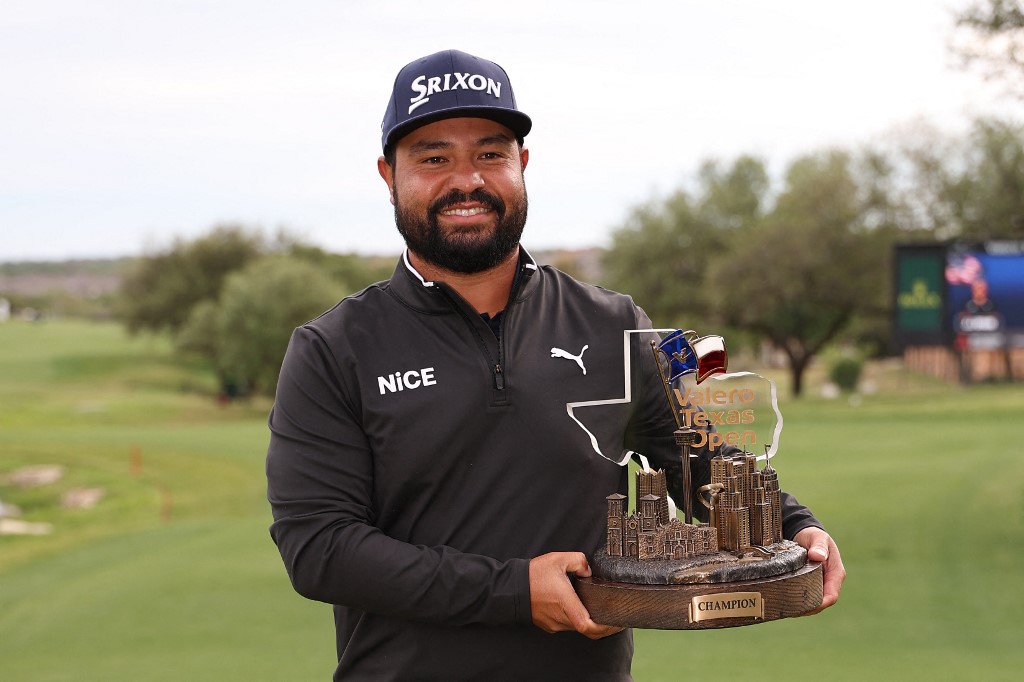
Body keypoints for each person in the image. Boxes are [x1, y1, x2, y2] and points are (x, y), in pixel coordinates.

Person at [266, 49, 846, 682]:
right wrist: (515, 589)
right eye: (434, 158)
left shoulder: (615, 322)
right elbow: (318, 548)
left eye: (491, 154)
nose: (468, 180)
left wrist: (795, 528)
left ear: (522, 164)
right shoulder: (333, 347)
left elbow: (700, 465)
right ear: (388, 174)